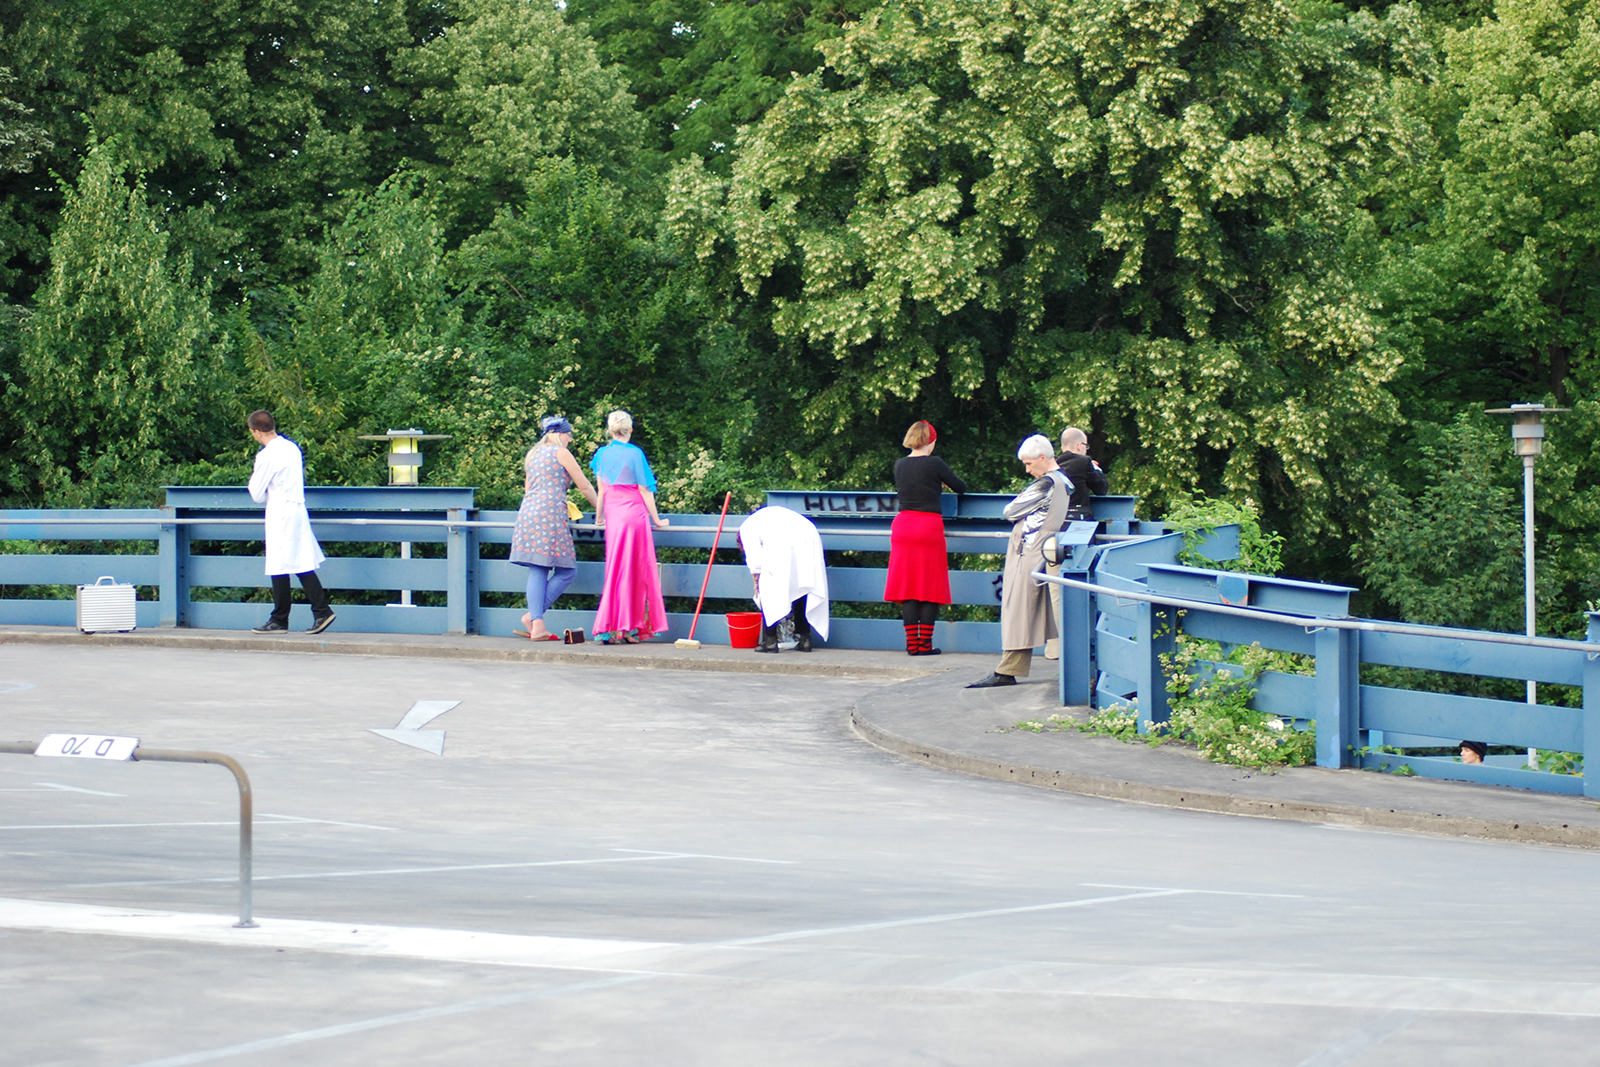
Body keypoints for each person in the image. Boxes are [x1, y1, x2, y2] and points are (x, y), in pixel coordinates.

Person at [967, 435, 1071, 688]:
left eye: (1028, 463)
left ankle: (1007, 670)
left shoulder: (1045, 484)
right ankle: (1013, 667)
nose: (1027, 469)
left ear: (1043, 458)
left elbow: (1010, 511)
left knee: (1017, 609)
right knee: (1046, 611)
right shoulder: (1065, 481)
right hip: (1049, 549)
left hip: (1030, 549)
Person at [509, 415, 599, 641]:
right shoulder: (561, 453)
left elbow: (528, 487)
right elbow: (585, 485)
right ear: (560, 434)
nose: (570, 440)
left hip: (528, 512)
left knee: (538, 568)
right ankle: (534, 618)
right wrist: (601, 510)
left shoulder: (532, 455)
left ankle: (536, 621)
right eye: (569, 435)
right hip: (549, 514)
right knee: (567, 570)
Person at [246, 410, 335, 634]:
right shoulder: (291, 448)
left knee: (284, 562)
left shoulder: (267, 455)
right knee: (294, 560)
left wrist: (267, 493)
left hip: (280, 511)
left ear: (256, 431)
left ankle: (315, 611)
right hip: (296, 508)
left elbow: (256, 493)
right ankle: (284, 616)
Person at [884, 419, 966, 656]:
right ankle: (925, 645)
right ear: (931, 441)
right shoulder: (935, 463)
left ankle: (911, 645)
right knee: (929, 586)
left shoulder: (899, 464)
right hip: (928, 526)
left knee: (909, 587)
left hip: (903, 526)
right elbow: (960, 487)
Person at [590, 410, 669, 643]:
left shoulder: (602, 454)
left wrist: (599, 517)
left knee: (615, 568)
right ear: (630, 429)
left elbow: (602, 490)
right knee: (636, 570)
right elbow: (645, 489)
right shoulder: (635, 454)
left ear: (610, 430)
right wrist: (657, 520)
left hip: (614, 516)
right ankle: (629, 627)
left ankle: (608, 627)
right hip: (634, 515)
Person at [738, 505, 830, 653]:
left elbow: (755, 559)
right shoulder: (765, 517)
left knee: (768, 590)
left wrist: (756, 580)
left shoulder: (747, 528)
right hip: (808, 533)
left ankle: (770, 640)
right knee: (803, 585)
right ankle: (805, 638)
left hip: (783, 539)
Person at [1056, 426, 1108, 520]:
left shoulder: (1055, 464)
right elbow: (1101, 489)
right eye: (1086, 445)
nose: (1086, 449)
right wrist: (1096, 469)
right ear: (1079, 446)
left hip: (1058, 517)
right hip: (1079, 517)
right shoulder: (1084, 461)